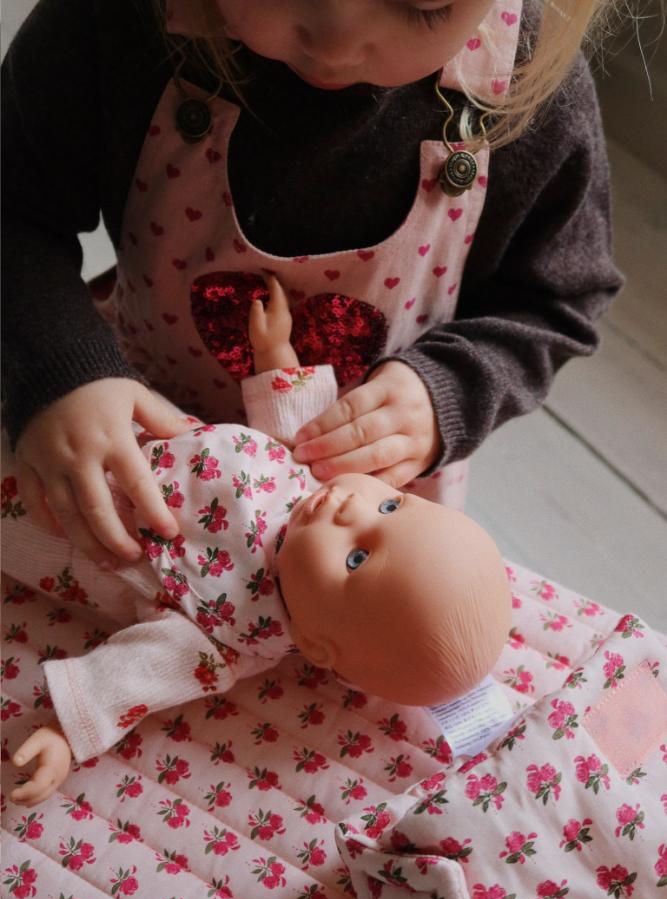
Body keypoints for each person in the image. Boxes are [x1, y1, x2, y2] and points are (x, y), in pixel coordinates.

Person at [2, 0, 622, 578]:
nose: (335, 45)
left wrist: (448, 392)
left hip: (357, 532)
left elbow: (556, 301)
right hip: (118, 453)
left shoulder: (529, 87)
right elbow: (15, 205)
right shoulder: (122, 19)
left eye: (424, 5)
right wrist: (62, 367)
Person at [8, 277, 511, 807]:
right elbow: (292, 425)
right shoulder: (314, 485)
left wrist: (66, 736)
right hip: (101, 412)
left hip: (36, 511)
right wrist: (275, 355)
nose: (351, 507)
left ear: (315, 643)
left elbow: (130, 678)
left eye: (357, 557)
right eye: (391, 506)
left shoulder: (225, 636)